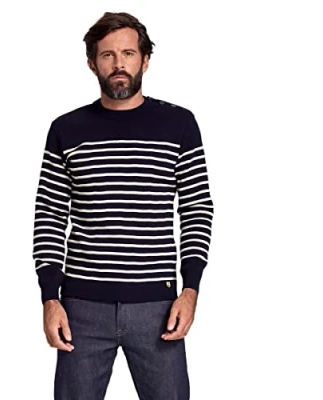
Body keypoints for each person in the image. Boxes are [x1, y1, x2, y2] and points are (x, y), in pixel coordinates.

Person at [32, 11, 214, 400]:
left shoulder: (179, 125)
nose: (119, 64)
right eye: (108, 55)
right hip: (81, 308)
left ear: (145, 60)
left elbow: (197, 209)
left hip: (158, 307)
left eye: (128, 54)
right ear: (92, 63)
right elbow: (49, 216)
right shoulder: (66, 129)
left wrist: (190, 290)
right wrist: (49, 297)